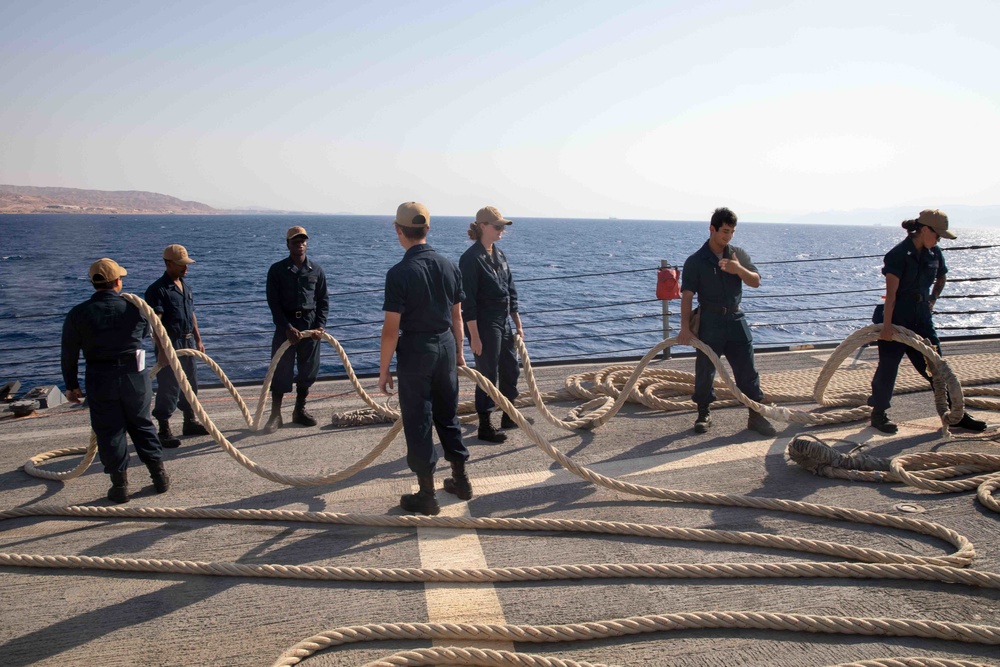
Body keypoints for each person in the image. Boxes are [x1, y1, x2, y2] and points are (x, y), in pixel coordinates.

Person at [378, 202, 471, 516]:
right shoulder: (449, 266)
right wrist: (459, 352)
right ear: (428, 229)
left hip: (417, 351)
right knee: (448, 414)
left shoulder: (399, 273)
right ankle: (461, 480)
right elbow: (457, 317)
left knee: (419, 420)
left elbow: (391, 330)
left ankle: (427, 494)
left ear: (398, 230)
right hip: (446, 346)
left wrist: (384, 370)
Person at [868, 209, 987, 434]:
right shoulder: (898, 254)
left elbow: (941, 276)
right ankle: (878, 414)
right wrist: (886, 328)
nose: (940, 239)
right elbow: (891, 295)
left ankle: (956, 414)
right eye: (938, 235)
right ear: (924, 230)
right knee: (888, 367)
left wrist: (932, 299)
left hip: (922, 317)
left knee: (938, 366)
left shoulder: (935, 253)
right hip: (897, 316)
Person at [61, 258, 170, 503]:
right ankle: (159, 477)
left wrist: (71, 385)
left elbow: (69, 352)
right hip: (135, 377)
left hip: (100, 378)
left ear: (93, 283)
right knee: (142, 425)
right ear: (118, 281)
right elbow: (143, 333)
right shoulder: (136, 308)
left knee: (109, 431)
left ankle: (120, 486)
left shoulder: (78, 313)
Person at [677, 207, 776, 437]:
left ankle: (755, 415)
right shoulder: (695, 261)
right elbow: (687, 296)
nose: (728, 236)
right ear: (712, 229)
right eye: (724, 231)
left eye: (731, 232)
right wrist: (684, 328)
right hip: (709, 320)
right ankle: (703, 413)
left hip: (735, 318)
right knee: (705, 370)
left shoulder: (737, 254)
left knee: (747, 370)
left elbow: (756, 282)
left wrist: (737, 268)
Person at [459, 206, 523, 443]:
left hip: (502, 319)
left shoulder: (499, 254)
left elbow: (510, 289)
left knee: (511, 368)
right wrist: (474, 336)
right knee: (487, 373)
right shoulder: (470, 259)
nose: (501, 231)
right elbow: (469, 302)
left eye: (503, 227)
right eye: (497, 227)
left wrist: (517, 322)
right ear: (483, 226)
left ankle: (508, 414)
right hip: (483, 322)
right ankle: (485, 425)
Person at [263, 226, 329, 433]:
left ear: (306, 244)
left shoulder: (316, 270)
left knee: (308, 369)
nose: (299, 244)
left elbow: (323, 300)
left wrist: (320, 325)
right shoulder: (277, 270)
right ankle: (275, 415)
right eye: (295, 241)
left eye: (302, 241)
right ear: (288, 244)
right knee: (281, 370)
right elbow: (273, 304)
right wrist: (287, 328)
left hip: (309, 325)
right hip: (286, 325)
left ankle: (299, 410)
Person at [144, 244, 208, 448]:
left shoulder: (185, 286)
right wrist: (162, 352)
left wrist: (198, 339)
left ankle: (189, 421)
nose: (185, 268)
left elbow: (192, 314)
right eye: (181, 265)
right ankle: (164, 429)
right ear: (168, 264)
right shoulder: (157, 290)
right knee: (169, 386)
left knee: (190, 383)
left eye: (186, 264)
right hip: (170, 342)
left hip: (187, 341)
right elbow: (156, 323)